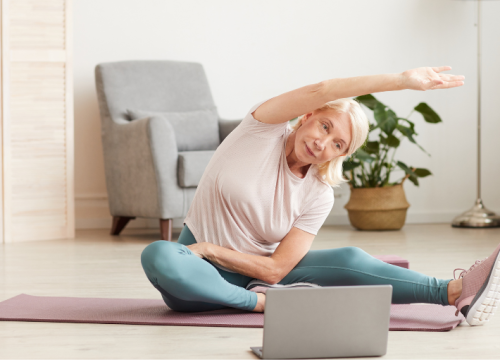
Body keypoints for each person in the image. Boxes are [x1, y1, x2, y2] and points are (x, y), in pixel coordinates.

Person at [141, 66, 499, 326]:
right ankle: (259, 305)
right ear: (307, 116)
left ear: (340, 155)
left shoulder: (318, 194)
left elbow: (277, 268)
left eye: (337, 144)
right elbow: (323, 88)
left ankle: (454, 292)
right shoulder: (259, 132)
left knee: (349, 256)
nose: (321, 143)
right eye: (324, 126)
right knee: (159, 254)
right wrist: (401, 81)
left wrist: (212, 249)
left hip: (258, 275)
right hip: (196, 278)